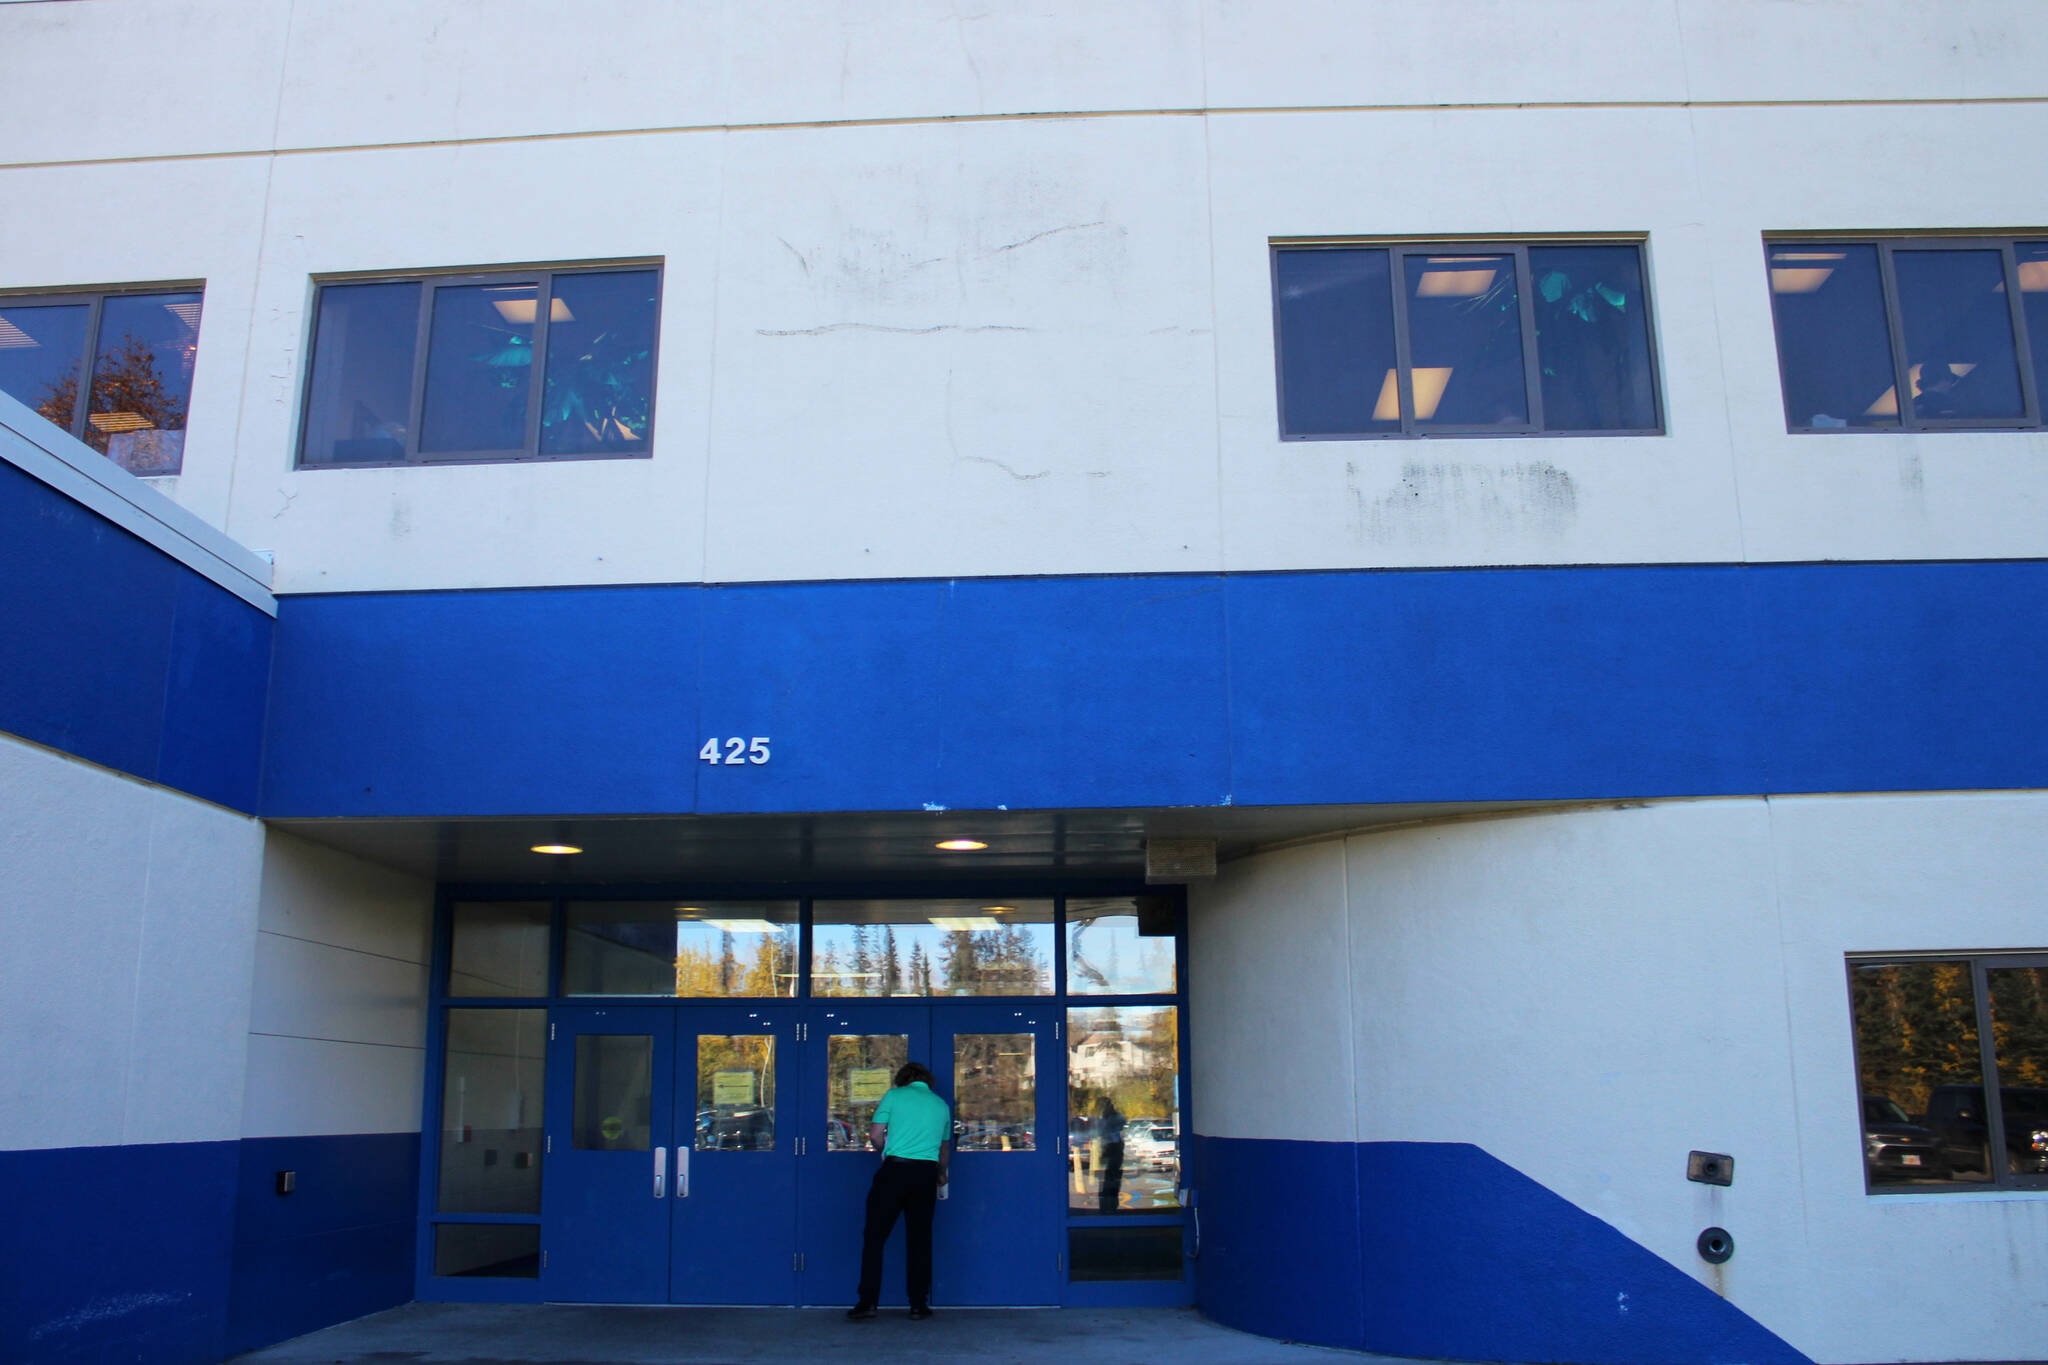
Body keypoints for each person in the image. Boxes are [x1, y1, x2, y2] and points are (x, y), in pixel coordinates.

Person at [847, 1062, 951, 1321]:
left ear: (902, 1080)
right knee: (919, 1239)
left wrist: (884, 1152)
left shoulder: (894, 1096)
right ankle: (918, 1304)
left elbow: (875, 1134)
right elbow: (943, 1149)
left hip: (894, 1171)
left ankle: (867, 1302)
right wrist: (940, 1174)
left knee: (875, 1237)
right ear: (928, 1081)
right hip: (925, 1174)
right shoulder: (941, 1105)